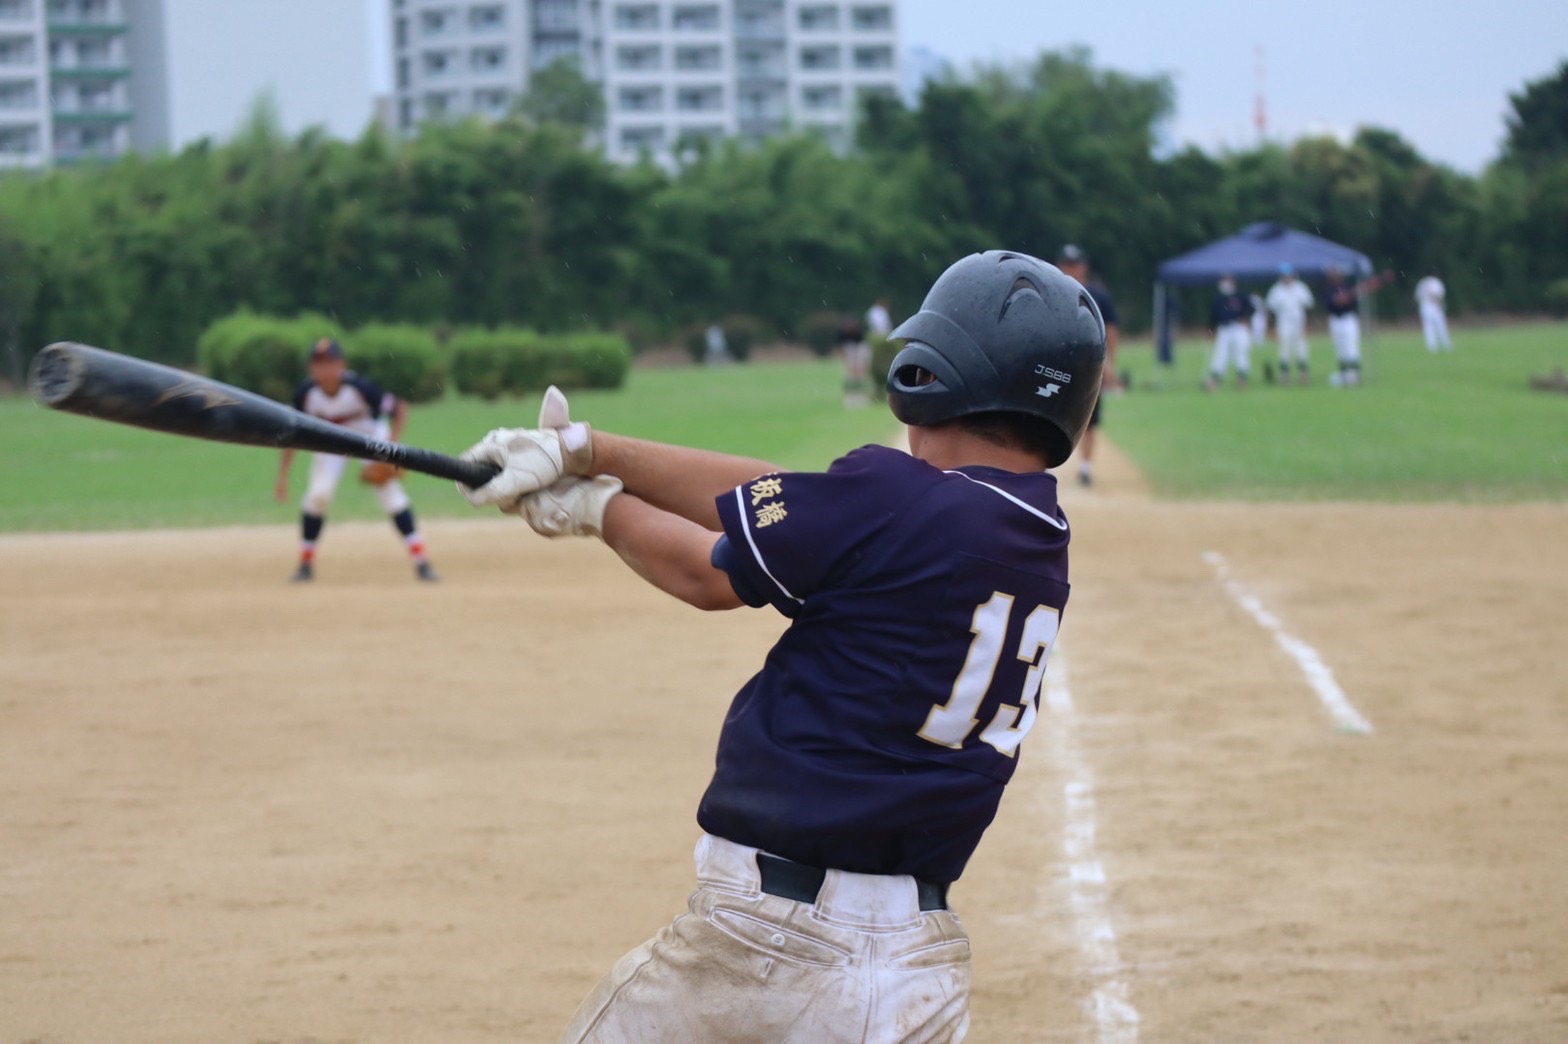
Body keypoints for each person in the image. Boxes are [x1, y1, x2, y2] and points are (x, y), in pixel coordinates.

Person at [457, 250, 1106, 1042]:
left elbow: (711, 572)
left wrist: (592, 497)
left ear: (931, 377)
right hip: (921, 972)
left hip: (767, 948)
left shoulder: (894, 501)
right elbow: (793, 500)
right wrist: (590, 458)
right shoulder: (1031, 534)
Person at [274, 337, 437, 582]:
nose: (325, 369)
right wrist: (283, 477)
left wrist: (391, 446)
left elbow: (400, 408)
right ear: (311, 368)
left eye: (330, 362)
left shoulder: (360, 387)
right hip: (331, 444)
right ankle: (305, 565)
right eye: (319, 363)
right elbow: (292, 434)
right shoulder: (306, 393)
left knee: (391, 496)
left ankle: (421, 562)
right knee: (319, 495)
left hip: (370, 439)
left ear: (342, 364)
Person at [1055, 243, 1118, 487]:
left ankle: (1085, 467)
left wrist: (1110, 362)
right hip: (1058, 361)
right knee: (1049, 411)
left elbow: (1111, 329)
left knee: (1090, 416)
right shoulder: (1052, 292)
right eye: (1067, 265)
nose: (1071, 269)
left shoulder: (1098, 295)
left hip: (1089, 363)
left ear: (1084, 267)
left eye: (1075, 264)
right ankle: (1046, 465)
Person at [1324, 267, 1394, 386]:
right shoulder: (1328, 289)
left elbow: (1359, 293)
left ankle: (1354, 376)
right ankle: (1344, 375)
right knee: (1340, 349)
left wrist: (1344, 299)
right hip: (1336, 320)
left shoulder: (1347, 287)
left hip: (1348, 319)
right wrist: (1338, 300)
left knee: (1351, 347)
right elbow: (1328, 304)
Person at [1265, 263, 1315, 385]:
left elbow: (1309, 303)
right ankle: (1284, 376)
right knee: (1284, 348)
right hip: (1283, 322)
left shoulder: (1300, 287)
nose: (1287, 278)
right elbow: (1270, 306)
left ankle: (1303, 375)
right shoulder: (1276, 290)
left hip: (1298, 322)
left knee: (1301, 348)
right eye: (1284, 276)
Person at [1206, 275, 1254, 390]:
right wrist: (1210, 331)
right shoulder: (1218, 298)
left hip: (1238, 328)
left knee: (1241, 352)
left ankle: (1242, 379)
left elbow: (1251, 309)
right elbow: (1213, 317)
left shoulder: (1241, 296)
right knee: (1221, 354)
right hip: (1224, 329)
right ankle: (1215, 379)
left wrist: (1245, 319)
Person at [836, 313, 872, 407]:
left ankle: (863, 397)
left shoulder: (858, 333)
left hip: (859, 352)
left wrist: (858, 364)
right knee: (849, 377)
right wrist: (849, 364)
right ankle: (849, 397)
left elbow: (861, 350)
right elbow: (842, 350)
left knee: (861, 376)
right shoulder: (842, 334)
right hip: (849, 353)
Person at [1415, 270, 1452, 351]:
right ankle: (1445, 345)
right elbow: (1440, 296)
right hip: (1434, 306)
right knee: (1439, 326)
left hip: (1426, 306)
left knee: (1429, 327)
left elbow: (1417, 297)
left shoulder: (1422, 283)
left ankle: (1433, 347)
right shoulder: (1436, 282)